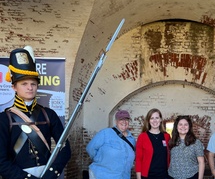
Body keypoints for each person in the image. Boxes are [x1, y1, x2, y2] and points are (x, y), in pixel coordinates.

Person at [0, 46, 71, 179]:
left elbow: (65, 148)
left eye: (33, 84)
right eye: (24, 84)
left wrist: (52, 173)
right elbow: (1, 161)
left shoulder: (49, 115)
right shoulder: (4, 119)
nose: (30, 88)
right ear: (14, 87)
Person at [86, 109, 135, 179]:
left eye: (126, 119)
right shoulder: (105, 133)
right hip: (103, 175)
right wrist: (99, 159)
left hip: (124, 176)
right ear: (116, 121)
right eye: (121, 119)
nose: (124, 122)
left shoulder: (131, 139)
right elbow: (90, 148)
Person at [135, 108, 170, 179]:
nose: (154, 121)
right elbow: (138, 159)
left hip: (164, 176)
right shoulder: (142, 137)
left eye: (157, 118)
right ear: (148, 121)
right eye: (152, 118)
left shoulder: (167, 136)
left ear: (160, 120)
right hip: (148, 176)